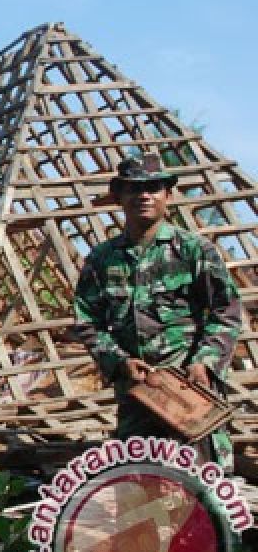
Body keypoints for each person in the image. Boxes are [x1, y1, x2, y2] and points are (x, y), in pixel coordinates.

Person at [73, 153, 241, 466]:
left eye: (153, 187)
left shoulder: (193, 251)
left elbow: (226, 313)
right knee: (142, 490)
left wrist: (204, 362)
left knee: (204, 491)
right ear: (119, 197)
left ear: (168, 195)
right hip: (137, 396)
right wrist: (120, 362)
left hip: (190, 392)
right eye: (134, 189)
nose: (144, 195)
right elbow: (87, 322)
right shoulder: (102, 260)